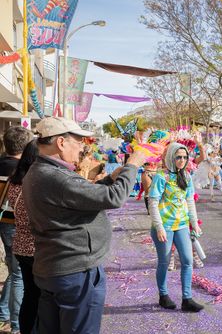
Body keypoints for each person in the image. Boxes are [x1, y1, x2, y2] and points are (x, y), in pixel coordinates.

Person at [23, 117, 146, 333]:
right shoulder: (56, 176)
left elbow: (79, 196)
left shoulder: (40, 171)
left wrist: (110, 178)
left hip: (55, 268)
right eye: (78, 142)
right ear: (61, 143)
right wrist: (132, 166)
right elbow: (114, 198)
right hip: (76, 272)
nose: (82, 148)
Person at [148, 142, 204, 312]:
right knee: (164, 262)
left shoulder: (186, 176)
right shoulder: (161, 177)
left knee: (187, 260)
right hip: (164, 226)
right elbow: (153, 201)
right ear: (171, 157)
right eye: (178, 157)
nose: (182, 160)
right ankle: (163, 296)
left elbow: (189, 201)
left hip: (181, 226)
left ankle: (187, 299)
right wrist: (158, 227)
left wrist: (193, 222)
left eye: (185, 157)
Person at [0, 126, 32, 334]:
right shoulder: (22, 171)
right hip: (14, 224)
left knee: (14, 272)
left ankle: (3, 313)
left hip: (4, 223)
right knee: (18, 274)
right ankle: (16, 325)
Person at [7, 141, 38, 334]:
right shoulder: (34, 183)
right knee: (39, 297)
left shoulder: (15, 180)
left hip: (20, 245)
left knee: (30, 294)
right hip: (35, 247)